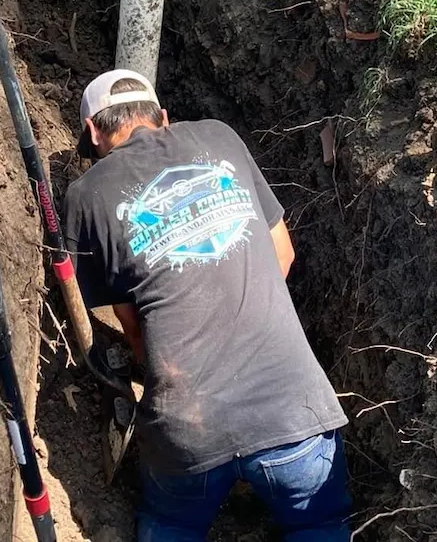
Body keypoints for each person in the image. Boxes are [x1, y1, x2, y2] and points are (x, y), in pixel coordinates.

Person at [62, 69, 351, 542]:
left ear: (93, 131)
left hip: (188, 434)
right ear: (164, 118)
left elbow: (132, 327)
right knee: (317, 525)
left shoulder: (86, 193)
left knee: (171, 524)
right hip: (293, 416)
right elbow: (284, 253)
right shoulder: (219, 136)